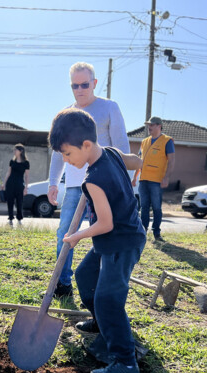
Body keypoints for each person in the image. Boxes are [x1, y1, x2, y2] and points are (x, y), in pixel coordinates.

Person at [49, 108, 145, 373]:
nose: (66, 161)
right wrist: (139, 161)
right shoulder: (111, 153)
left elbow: (105, 223)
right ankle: (102, 324)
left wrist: (77, 235)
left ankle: (126, 363)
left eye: (68, 154)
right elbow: (133, 161)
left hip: (121, 241)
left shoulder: (93, 181)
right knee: (84, 275)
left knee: (108, 299)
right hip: (117, 236)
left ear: (87, 145)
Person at [47, 61, 130, 300]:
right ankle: (62, 284)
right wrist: (54, 182)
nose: (80, 89)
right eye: (75, 85)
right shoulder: (66, 115)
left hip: (104, 184)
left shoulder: (109, 108)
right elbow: (57, 152)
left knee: (105, 233)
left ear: (94, 83)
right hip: (74, 187)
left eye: (85, 84)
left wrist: (124, 180)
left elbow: (121, 147)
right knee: (64, 232)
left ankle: (104, 286)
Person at [131, 116, 175, 241]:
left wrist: (166, 177)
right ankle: (143, 230)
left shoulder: (167, 141)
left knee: (156, 207)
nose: (149, 127)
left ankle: (157, 233)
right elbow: (140, 161)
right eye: (148, 125)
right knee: (144, 207)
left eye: (152, 125)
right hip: (143, 179)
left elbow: (172, 161)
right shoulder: (144, 141)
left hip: (157, 180)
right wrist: (135, 177)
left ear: (159, 126)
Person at [1, 143, 29, 226]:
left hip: (20, 185)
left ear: (20, 151)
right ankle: (10, 219)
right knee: (10, 202)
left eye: (15, 150)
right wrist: (4, 183)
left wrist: (26, 187)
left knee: (19, 202)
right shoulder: (12, 161)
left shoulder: (26, 163)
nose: (14, 151)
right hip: (10, 184)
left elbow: (27, 176)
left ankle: (19, 219)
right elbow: (8, 173)